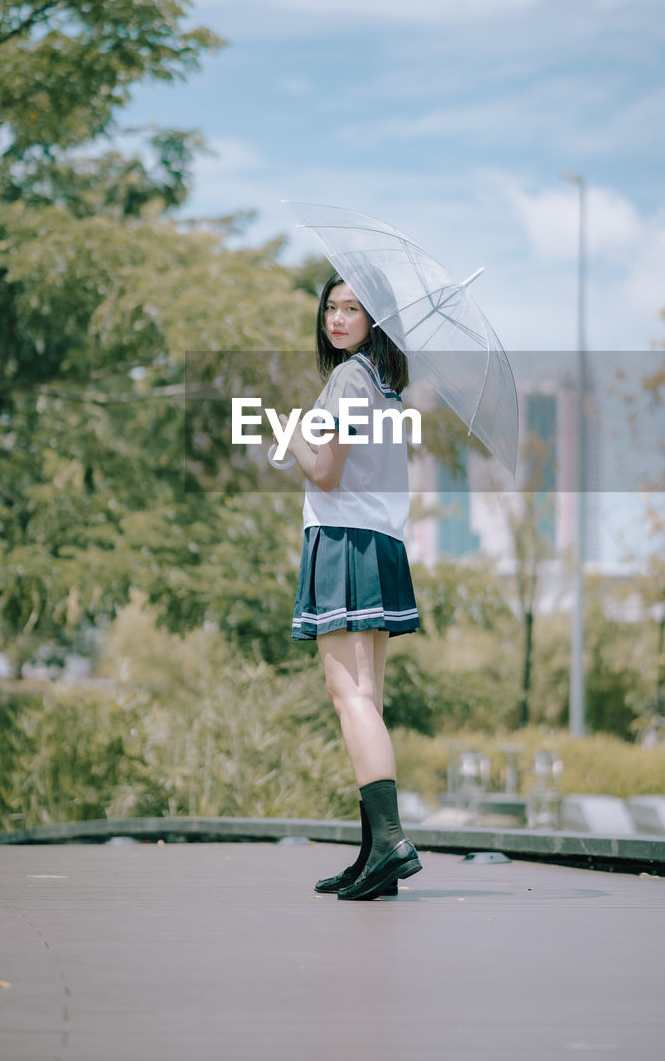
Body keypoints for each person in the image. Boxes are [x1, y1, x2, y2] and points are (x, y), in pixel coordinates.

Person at [276, 273, 422, 900]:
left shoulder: (347, 379)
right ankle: (373, 856)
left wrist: (288, 438)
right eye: (331, 308)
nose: (336, 319)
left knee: (348, 695)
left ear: (374, 319)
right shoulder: (384, 386)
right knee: (368, 696)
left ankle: (389, 843)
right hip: (381, 543)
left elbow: (328, 473)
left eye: (352, 309)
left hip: (344, 543)